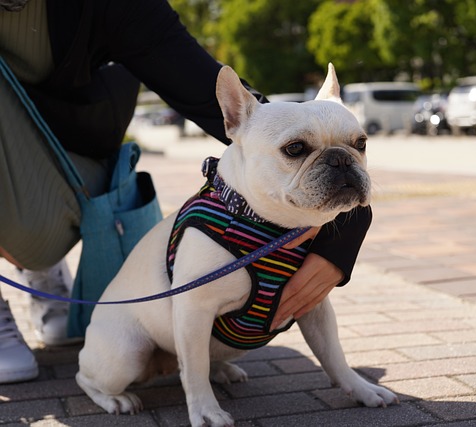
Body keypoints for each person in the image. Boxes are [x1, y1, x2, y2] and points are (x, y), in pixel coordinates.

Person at [0, 0, 372, 383]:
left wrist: (341, 233)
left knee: (41, 234)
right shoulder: (209, 228)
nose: (344, 159)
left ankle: (40, 263)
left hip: (74, 150)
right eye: (297, 150)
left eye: (357, 145)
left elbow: (214, 92)